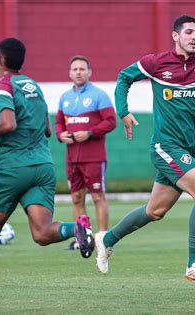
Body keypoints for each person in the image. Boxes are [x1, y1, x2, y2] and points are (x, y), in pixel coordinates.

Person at [0, 38, 95, 313]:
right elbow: (43, 129)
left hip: (12, 169)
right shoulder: (34, 86)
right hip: (43, 167)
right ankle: (76, 229)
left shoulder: (0, 85)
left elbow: (9, 123)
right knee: (42, 233)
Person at [93, 15, 195, 282]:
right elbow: (124, 78)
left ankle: (107, 239)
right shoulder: (156, 63)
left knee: (154, 211)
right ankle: (194, 264)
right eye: (189, 32)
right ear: (175, 36)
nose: (194, 37)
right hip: (165, 146)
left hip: (187, 149)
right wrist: (123, 112)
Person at [55, 55, 117, 250]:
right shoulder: (64, 98)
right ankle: (83, 239)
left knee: (98, 196)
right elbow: (58, 123)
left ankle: (102, 238)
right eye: (75, 69)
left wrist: (90, 133)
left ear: (89, 72)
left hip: (94, 157)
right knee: (76, 198)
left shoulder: (99, 95)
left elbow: (111, 121)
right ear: (70, 73)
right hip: (72, 159)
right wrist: (60, 135)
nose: (78, 72)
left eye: (82, 69)